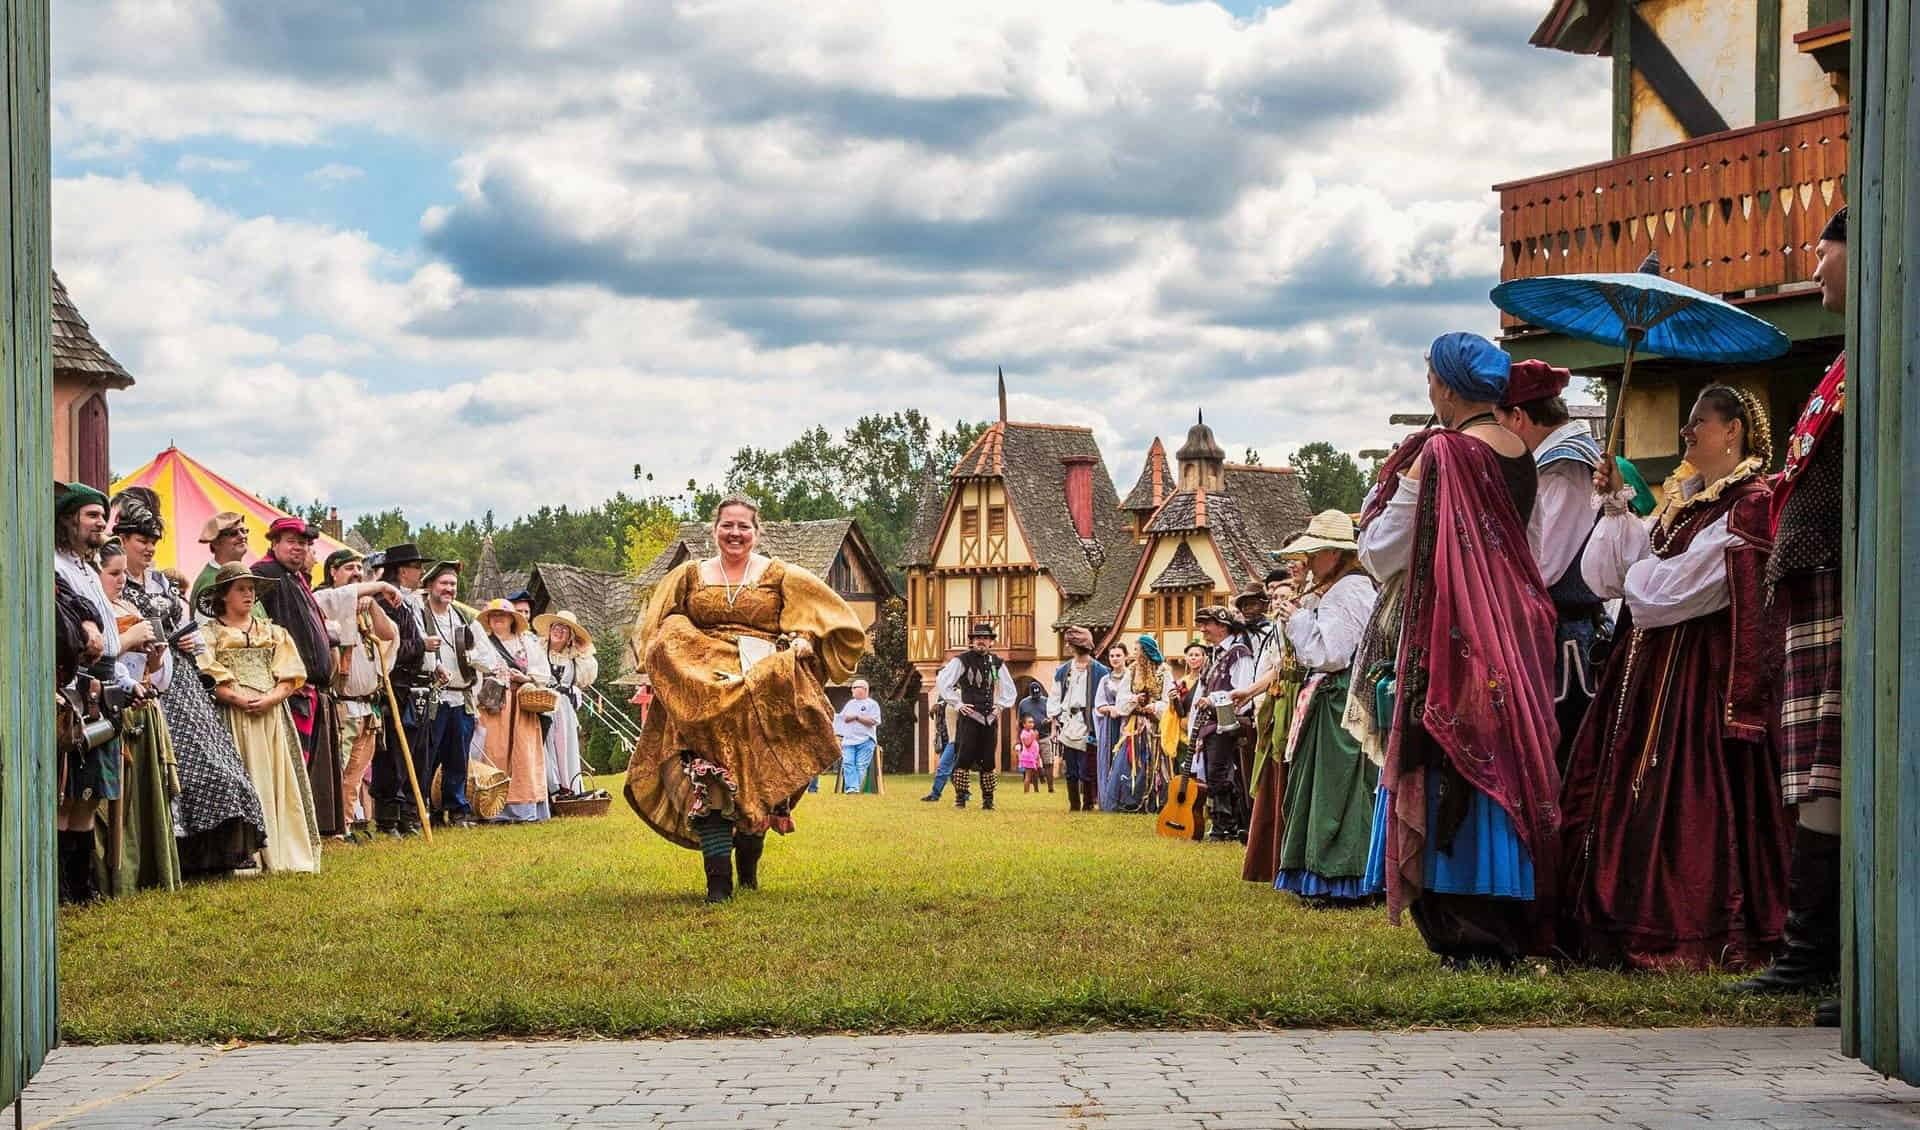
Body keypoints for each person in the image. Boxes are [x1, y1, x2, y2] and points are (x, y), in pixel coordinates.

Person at [1559, 386, 1789, 969]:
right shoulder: (1689, 500)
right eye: (1686, 425)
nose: (1688, 435)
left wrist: (1643, 570)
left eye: (1699, 424)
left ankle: (1694, 927)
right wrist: (1616, 506)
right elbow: (1610, 577)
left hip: (1702, 682)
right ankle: (1621, 916)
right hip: (1652, 671)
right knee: (1637, 786)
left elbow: (1676, 594)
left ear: (1733, 430)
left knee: (1692, 796)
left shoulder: (1749, 503)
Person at [1355, 331, 1561, 967]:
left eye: (1429, 378)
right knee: (1510, 765)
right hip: (1518, 632)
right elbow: (1534, 547)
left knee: (1445, 760)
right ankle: (1509, 914)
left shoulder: (1442, 453)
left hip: (1453, 635)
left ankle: (1463, 927)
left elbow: (1383, 551)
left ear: (1445, 386)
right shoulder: (1522, 452)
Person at [626, 493, 866, 902]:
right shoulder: (689, 575)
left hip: (760, 688)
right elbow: (657, 629)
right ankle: (718, 886)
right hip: (701, 695)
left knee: (759, 784)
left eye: (744, 526)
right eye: (727, 525)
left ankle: (748, 871)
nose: (735, 533)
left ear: (757, 532)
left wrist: (802, 641)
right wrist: (669, 668)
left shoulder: (780, 575)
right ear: (714, 529)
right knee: (709, 783)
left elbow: (833, 620)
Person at [1731, 210, 1849, 1025]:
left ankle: (1824, 955)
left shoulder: (1884, 350)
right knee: (1818, 777)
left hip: (1849, 586)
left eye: (1824, 248)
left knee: (1840, 775)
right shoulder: (1845, 360)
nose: (1814, 263)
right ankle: (1812, 954)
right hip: (1818, 588)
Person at [111, 490, 267, 876]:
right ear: (122, 541)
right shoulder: (115, 587)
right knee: (174, 770)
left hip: (182, 679)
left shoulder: (163, 583)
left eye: (152, 542)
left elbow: (191, 630)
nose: (148, 549)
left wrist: (188, 640)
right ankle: (175, 854)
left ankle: (215, 851)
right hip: (143, 679)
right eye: (141, 541)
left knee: (219, 762)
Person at [1497, 359, 1611, 772]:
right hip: (1559, 631)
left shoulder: (1563, 467)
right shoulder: (1558, 461)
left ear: (1519, 417)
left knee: (1561, 765)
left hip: (1568, 640)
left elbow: (1542, 565)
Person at [1262, 512, 1380, 904]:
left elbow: (1329, 653)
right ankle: (1324, 872)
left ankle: (1345, 876)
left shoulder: (1352, 591)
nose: (1307, 563)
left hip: (1342, 697)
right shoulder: (1340, 589)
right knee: (1324, 784)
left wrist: (1297, 618)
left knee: (1339, 787)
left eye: (1314, 554)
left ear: (1334, 552)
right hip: (1332, 695)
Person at [196, 564, 321, 874]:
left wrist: (271, 699)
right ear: (224, 595)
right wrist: (238, 699)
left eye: (251, 588)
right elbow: (208, 674)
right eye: (241, 588)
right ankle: (243, 853)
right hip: (232, 716)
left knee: (276, 776)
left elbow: (291, 673)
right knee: (244, 774)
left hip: (271, 716)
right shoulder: (209, 634)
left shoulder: (272, 631)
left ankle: (281, 849)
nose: (249, 594)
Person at [252, 517, 347, 840]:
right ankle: (284, 834)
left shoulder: (294, 578)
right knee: (288, 767)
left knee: (304, 767)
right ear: (274, 543)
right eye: (291, 541)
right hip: (288, 688)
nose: (299, 548)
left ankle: (301, 831)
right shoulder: (264, 576)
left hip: (311, 689)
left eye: (304, 543)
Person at [99, 537, 183, 895]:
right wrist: (128, 642)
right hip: (114, 709)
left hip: (144, 711)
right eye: (112, 573)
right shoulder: (97, 611)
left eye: (122, 573)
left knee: (145, 797)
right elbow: (101, 662)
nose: (120, 580)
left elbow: (158, 677)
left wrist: (154, 660)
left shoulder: (130, 607)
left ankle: (149, 871)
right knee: (115, 803)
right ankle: (114, 878)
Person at [313, 547, 399, 841]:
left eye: (359, 569)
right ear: (333, 573)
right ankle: (332, 827)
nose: (356, 573)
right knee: (338, 768)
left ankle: (347, 823)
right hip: (341, 705)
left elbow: (389, 635)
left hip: (367, 706)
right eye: (349, 568)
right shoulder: (322, 604)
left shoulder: (365, 606)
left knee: (356, 772)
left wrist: (372, 604)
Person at [1242, 567, 1304, 884]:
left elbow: (1287, 670)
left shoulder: (1298, 629)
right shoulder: (1273, 634)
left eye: (1285, 596)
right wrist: (1250, 694)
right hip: (1273, 709)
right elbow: (1272, 672)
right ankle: (1267, 860)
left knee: (1285, 780)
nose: (1279, 602)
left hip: (1294, 708)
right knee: (1270, 784)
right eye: (1275, 597)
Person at [471, 599, 553, 823]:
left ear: (512, 620)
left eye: (503, 615)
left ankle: (523, 807)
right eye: (493, 614)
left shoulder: (526, 644)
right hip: (493, 705)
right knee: (494, 752)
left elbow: (543, 673)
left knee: (523, 756)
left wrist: (524, 677)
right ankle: (490, 806)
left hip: (521, 706)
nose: (498, 618)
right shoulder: (483, 644)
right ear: (488, 619)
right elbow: (475, 673)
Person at [370, 544, 431, 837]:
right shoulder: (385, 602)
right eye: (417, 567)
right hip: (394, 687)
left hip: (412, 687)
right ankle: (388, 818)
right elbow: (387, 648)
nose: (421, 573)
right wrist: (422, 646)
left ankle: (407, 814)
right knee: (392, 756)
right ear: (402, 570)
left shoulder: (409, 602)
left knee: (414, 756)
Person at [419, 560, 485, 826]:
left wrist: (472, 658)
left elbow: (486, 654)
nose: (449, 589)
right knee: (429, 756)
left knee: (458, 757)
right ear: (431, 585)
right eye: (444, 583)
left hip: (461, 696)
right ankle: (427, 809)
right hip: (433, 696)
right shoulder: (421, 614)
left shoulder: (463, 617)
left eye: (453, 585)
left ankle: (457, 810)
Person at [937, 621, 1018, 810]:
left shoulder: (997, 663)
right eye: (978, 638)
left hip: (990, 719)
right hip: (969, 717)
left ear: (991, 642)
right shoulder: (962, 660)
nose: (981, 641)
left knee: (989, 760)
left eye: (985, 638)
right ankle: (960, 798)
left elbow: (1009, 689)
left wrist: (1000, 707)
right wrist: (957, 704)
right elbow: (943, 682)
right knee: (963, 757)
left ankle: (988, 800)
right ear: (972, 641)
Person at [1192, 606, 1256, 842]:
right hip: (1213, 724)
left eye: (1206, 623)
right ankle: (1222, 823)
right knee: (1213, 773)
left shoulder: (1239, 653)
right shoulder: (1215, 654)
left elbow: (1243, 691)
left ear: (1222, 625)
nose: (1202, 629)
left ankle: (1230, 825)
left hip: (1231, 723)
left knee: (1225, 774)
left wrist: (1213, 700)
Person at [535, 609, 598, 801]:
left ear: (570, 635)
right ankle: (547, 790)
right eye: (556, 626)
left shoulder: (574, 658)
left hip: (563, 708)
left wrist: (582, 652)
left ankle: (568, 788)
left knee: (565, 747)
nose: (559, 631)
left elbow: (587, 678)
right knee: (543, 747)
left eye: (565, 629)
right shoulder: (538, 649)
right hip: (540, 704)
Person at [1102, 636, 1166, 812]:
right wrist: (1134, 699)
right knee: (1131, 761)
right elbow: (1120, 701)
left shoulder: (1163, 671)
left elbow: (1168, 700)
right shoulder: (1131, 671)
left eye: (1137, 650)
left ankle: (1154, 801)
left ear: (1146, 651)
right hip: (1135, 725)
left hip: (1155, 726)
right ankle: (1131, 801)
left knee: (1155, 762)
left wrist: (1156, 707)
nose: (1135, 653)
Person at [1048, 627, 1109, 812]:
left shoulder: (1100, 671)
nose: (1067, 646)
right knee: (1071, 768)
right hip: (1068, 722)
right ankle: (1074, 805)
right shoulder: (1063, 670)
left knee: (1087, 769)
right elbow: (1055, 697)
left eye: (1069, 643)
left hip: (1089, 724)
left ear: (1076, 646)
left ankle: (1088, 804)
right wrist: (1054, 725)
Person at [1093, 642, 1131, 810]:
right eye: (1112, 656)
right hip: (1110, 725)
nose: (1115, 659)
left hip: (1129, 723)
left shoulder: (1131, 677)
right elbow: (1098, 705)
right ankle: (1109, 800)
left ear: (1126, 657)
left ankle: (1127, 799)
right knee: (1108, 759)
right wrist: (1110, 708)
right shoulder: (1105, 680)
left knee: (1127, 759)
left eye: (1118, 655)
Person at [190, 511, 249, 606]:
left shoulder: (239, 575)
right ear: (215, 543)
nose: (242, 536)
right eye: (233, 533)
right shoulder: (211, 583)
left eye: (244, 531)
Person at [835, 678, 882, 793]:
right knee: (848, 763)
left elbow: (874, 721)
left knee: (860, 765)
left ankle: (853, 788)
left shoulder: (872, 704)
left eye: (855, 688)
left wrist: (857, 717)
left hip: (866, 740)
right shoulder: (850, 703)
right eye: (852, 688)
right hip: (849, 740)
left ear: (865, 689)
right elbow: (842, 718)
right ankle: (852, 788)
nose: (853, 690)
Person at [1016, 679, 1054, 793]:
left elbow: (1053, 717)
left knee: (1048, 762)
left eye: (1038, 694)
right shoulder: (1023, 703)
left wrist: (1048, 721)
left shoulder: (1047, 701)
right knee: (1032, 765)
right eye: (1034, 694)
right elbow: (1019, 722)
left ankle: (1050, 788)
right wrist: (1019, 740)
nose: (1036, 696)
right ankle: (1035, 789)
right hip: (1029, 740)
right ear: (1030, 693)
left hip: (1044, 736)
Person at [920, 702, 960, 803]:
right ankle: (964, 794)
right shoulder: (942, 697)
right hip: (945, 738)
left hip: (955, 740)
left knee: (943, 766)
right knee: (952, 771)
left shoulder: (958, 694)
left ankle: (935, 794)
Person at [1018, 718, 1043, 792]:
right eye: (1029, 722)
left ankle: (1036, 790)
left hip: (1034, 756)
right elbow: (1027, 744)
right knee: (1028, 776)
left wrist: (1037, 755)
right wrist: (1033, 736)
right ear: (1024, 724)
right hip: (1028, 757)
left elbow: (1035, 742)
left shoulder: (1031, 731)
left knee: (1035, 774)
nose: (1032, 724)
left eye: (1032, 722)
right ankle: (1026, 791)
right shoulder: (1024, 733)